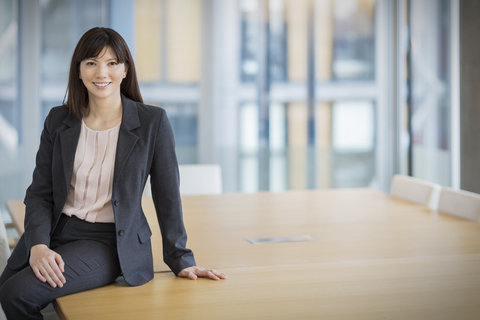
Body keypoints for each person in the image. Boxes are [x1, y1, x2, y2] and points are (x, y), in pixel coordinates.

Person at [0, 27, 227, 319]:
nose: (101, 73)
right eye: (91, 63)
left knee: (17, 294)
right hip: (55, 230)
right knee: (5, 289)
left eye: (111, 63)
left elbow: (167, 194)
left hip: (107, 241)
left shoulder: (151, 122)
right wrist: (39, 244)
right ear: (79, 71)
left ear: (125, 70)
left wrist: (180, 258)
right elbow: (40, 193)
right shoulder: (59, 120)